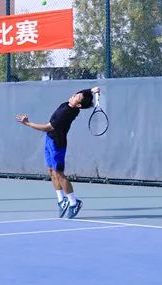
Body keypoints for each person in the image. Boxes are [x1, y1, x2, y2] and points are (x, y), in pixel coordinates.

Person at [15, 86, 100, 219]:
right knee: (51, 171)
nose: (74, 94)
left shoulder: (65, 113)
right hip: (50, 140)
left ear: (78, 105)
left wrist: (28, 123)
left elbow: (47, 127)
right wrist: (91, 90)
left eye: (77, 97)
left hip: (57, 144)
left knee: (59, 174)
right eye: (76, 93)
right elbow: (81, 94)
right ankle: (61, 201)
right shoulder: (72, 105)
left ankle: (74, 202)